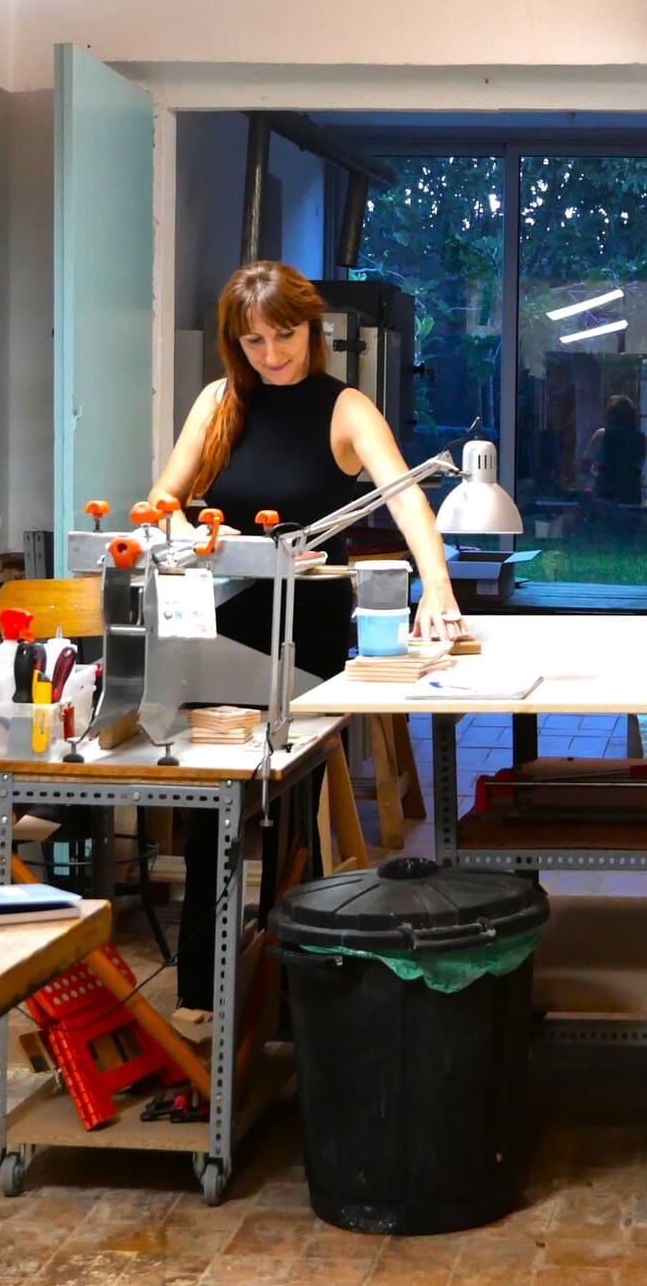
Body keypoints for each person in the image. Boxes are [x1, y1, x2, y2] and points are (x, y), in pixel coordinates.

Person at [147, 260, 467, 1022]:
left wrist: (439, 588)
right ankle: (203, 989)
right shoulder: (219, 402)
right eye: (253, 342)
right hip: (222, 626)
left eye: (284, 336)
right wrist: (190, 529)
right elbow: (161, 498)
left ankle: (302, 993)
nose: (272, 354)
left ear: (311, 328)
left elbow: (408, 500)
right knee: (212, 804)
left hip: (308, 636)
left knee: (297, 810)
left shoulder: (346, 409)